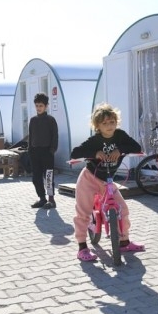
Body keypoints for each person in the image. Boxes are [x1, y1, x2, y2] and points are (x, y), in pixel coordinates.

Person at [70, 103, 145, 261]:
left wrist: (121, 150)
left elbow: (136, 147)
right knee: (83, 213)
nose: (109, 126)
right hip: (89, 178)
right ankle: (82, 247)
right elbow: (75, 152)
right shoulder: (95, 140)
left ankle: (124, 242)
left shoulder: (120, 136)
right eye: (104, 123)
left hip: (107, 181)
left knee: (123, 209)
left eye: (112, 122)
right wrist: (95, 152)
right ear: (97, 125)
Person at [28, 93, 58, 209]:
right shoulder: (33, 120)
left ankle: (51, 200)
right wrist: (30, 150)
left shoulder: (50, 120)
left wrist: (52, 150)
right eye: (36, 105)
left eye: (41, 105)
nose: (38, 108)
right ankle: (42, 198)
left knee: (49, 177)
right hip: (34, 152)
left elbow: (55, 136)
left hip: (47, 152)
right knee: (36, 178)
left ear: (46, 106)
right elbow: (30, 136)